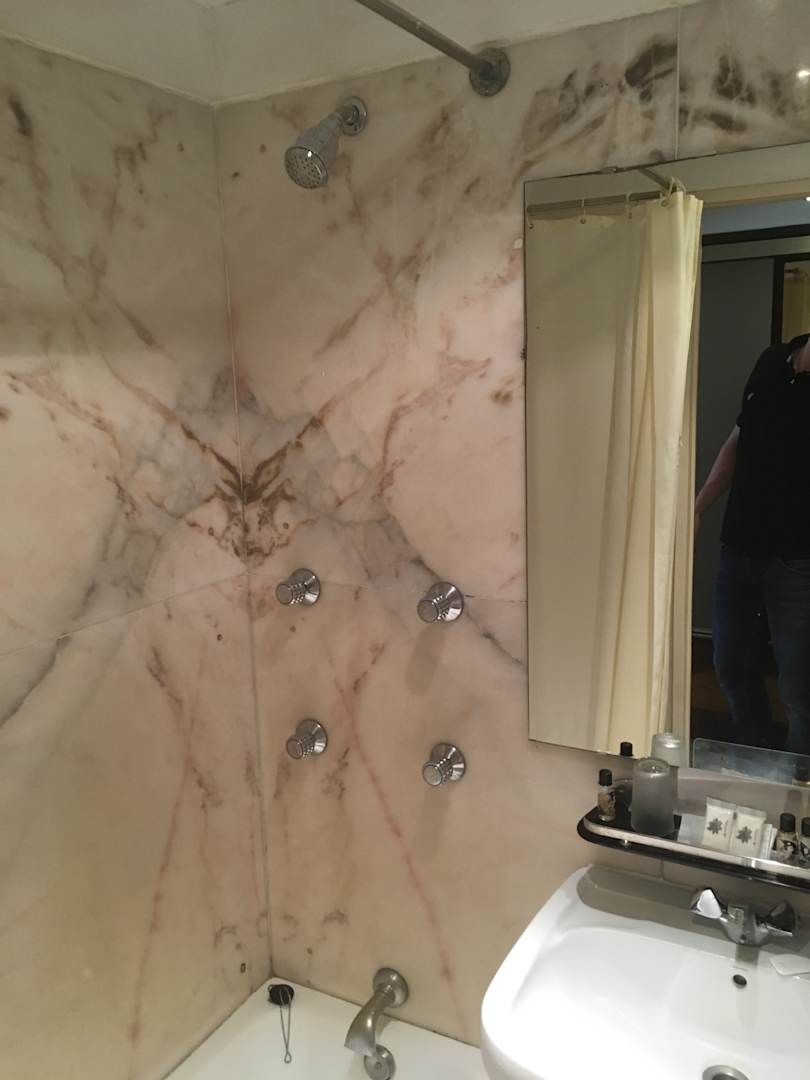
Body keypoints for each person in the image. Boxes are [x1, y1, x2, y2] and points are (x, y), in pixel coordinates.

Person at [695, 332, 810, 755]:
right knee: (730, 665)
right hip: (739, 547)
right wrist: (697, 507)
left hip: (798, 560)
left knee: (798, 686)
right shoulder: (773, 360)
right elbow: (738, 440)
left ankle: (798, 779)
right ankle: (755, 755)